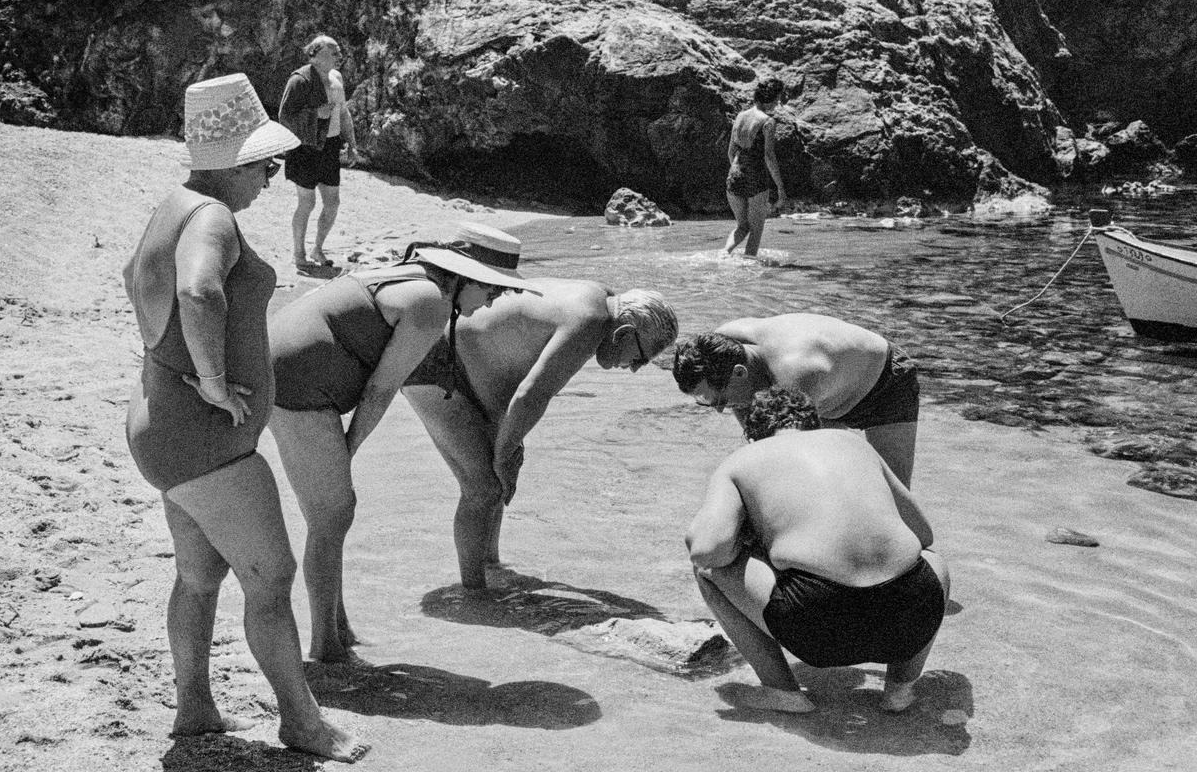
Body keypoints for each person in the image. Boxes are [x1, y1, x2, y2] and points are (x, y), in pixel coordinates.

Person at [123, 73, 367, 762]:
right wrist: (210, 380)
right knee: (272, 577)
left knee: (200, 576)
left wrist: (176, 373)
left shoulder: (172, 205)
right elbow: (199, 292)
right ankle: (304, 724)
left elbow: (143, 288)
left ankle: (195, 709)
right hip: (205, 441)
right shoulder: (212, 218)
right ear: (234, 160)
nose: (272, 174)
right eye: (266, 162)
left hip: (162, 427)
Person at [268, 223, 539, 662]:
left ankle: (338, 630)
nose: (495, 300)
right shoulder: (431, 302)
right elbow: (380, 391)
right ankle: (324, 649)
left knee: (335, 512)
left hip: (283, 366)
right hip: (296, 383)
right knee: (333, 514)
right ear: (467, 276)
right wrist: (348, 450)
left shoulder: (411, 276)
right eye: (492, 289)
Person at [686, 386, 949, 714]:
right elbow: (923, 534)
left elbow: (706, 551)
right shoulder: (854, 444)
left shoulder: (740, 461)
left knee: (709, 573)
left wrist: (755, 541)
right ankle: (900, 690)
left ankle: (782, 692)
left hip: (815, 628)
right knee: (934, 564)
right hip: (910, 618)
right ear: (814, 423)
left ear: (754, 435)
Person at [402, 281, 678, 589]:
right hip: (434, 360)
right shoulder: (591, 321)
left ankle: (491, 570)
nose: (635, 369)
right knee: (483, 488)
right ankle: (474, 596)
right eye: (640, 358)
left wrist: (509, 443)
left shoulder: (600, 299)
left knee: (495, 485)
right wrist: (506, 453)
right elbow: (531, 394)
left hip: (459, 364)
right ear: (623, 334)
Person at [672, 312, 919, 488]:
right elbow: (761, 447)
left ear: (739, 372)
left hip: (884, 384)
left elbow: (790, 464)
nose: (720, 410)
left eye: (721, 401)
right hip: (828, 392)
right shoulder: (720, 344)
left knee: (892, 494)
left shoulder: (795, 374)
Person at [278, 34, 359, 271]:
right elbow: (284, 116)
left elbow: (343, 113)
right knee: (307, 202)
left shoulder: (336, 78)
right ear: (315, 54)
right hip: (305, 148)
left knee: (332, 203)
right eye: (333, 51)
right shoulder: (300, 80)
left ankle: (318, 248)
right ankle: (298, 253)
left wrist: (352, 143)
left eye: (338, 51)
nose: (338, 55)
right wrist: (316, 115)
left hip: (330, 147)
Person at [724, 77, 787, 257]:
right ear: (772, 98)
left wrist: (738, 173)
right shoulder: (768, 122)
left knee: (742, 227)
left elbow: (730, 152)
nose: (778, 102)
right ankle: (750, 268)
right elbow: (768, 156)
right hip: (756, 178)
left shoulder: (740, 117)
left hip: (734, 176)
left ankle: (724, 254)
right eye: (778, 98)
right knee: (756, 231)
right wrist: (780, 188)